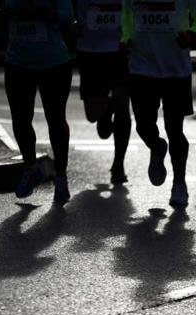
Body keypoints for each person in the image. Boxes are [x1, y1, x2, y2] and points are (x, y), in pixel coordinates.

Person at [121, 0, 196, 207]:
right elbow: (126, 14)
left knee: (174, 129)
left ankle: (179, 183)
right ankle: (157, 146)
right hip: (142, 66)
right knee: (143, 125)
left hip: (175, 69)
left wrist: (192, 33)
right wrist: (126, 37)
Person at [2, 0, 74, 204]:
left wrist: (42, 11)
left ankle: (60, 176)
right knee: (20, 118)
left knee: (56, 120)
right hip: (17, 62)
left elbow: (67, 17)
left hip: (54, 63)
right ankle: (31, 167)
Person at [75, 0, 131, 183]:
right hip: (90, 52)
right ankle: (107, 107)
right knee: (93, 116)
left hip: (120, 50)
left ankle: (118, 164)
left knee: (123, 107)